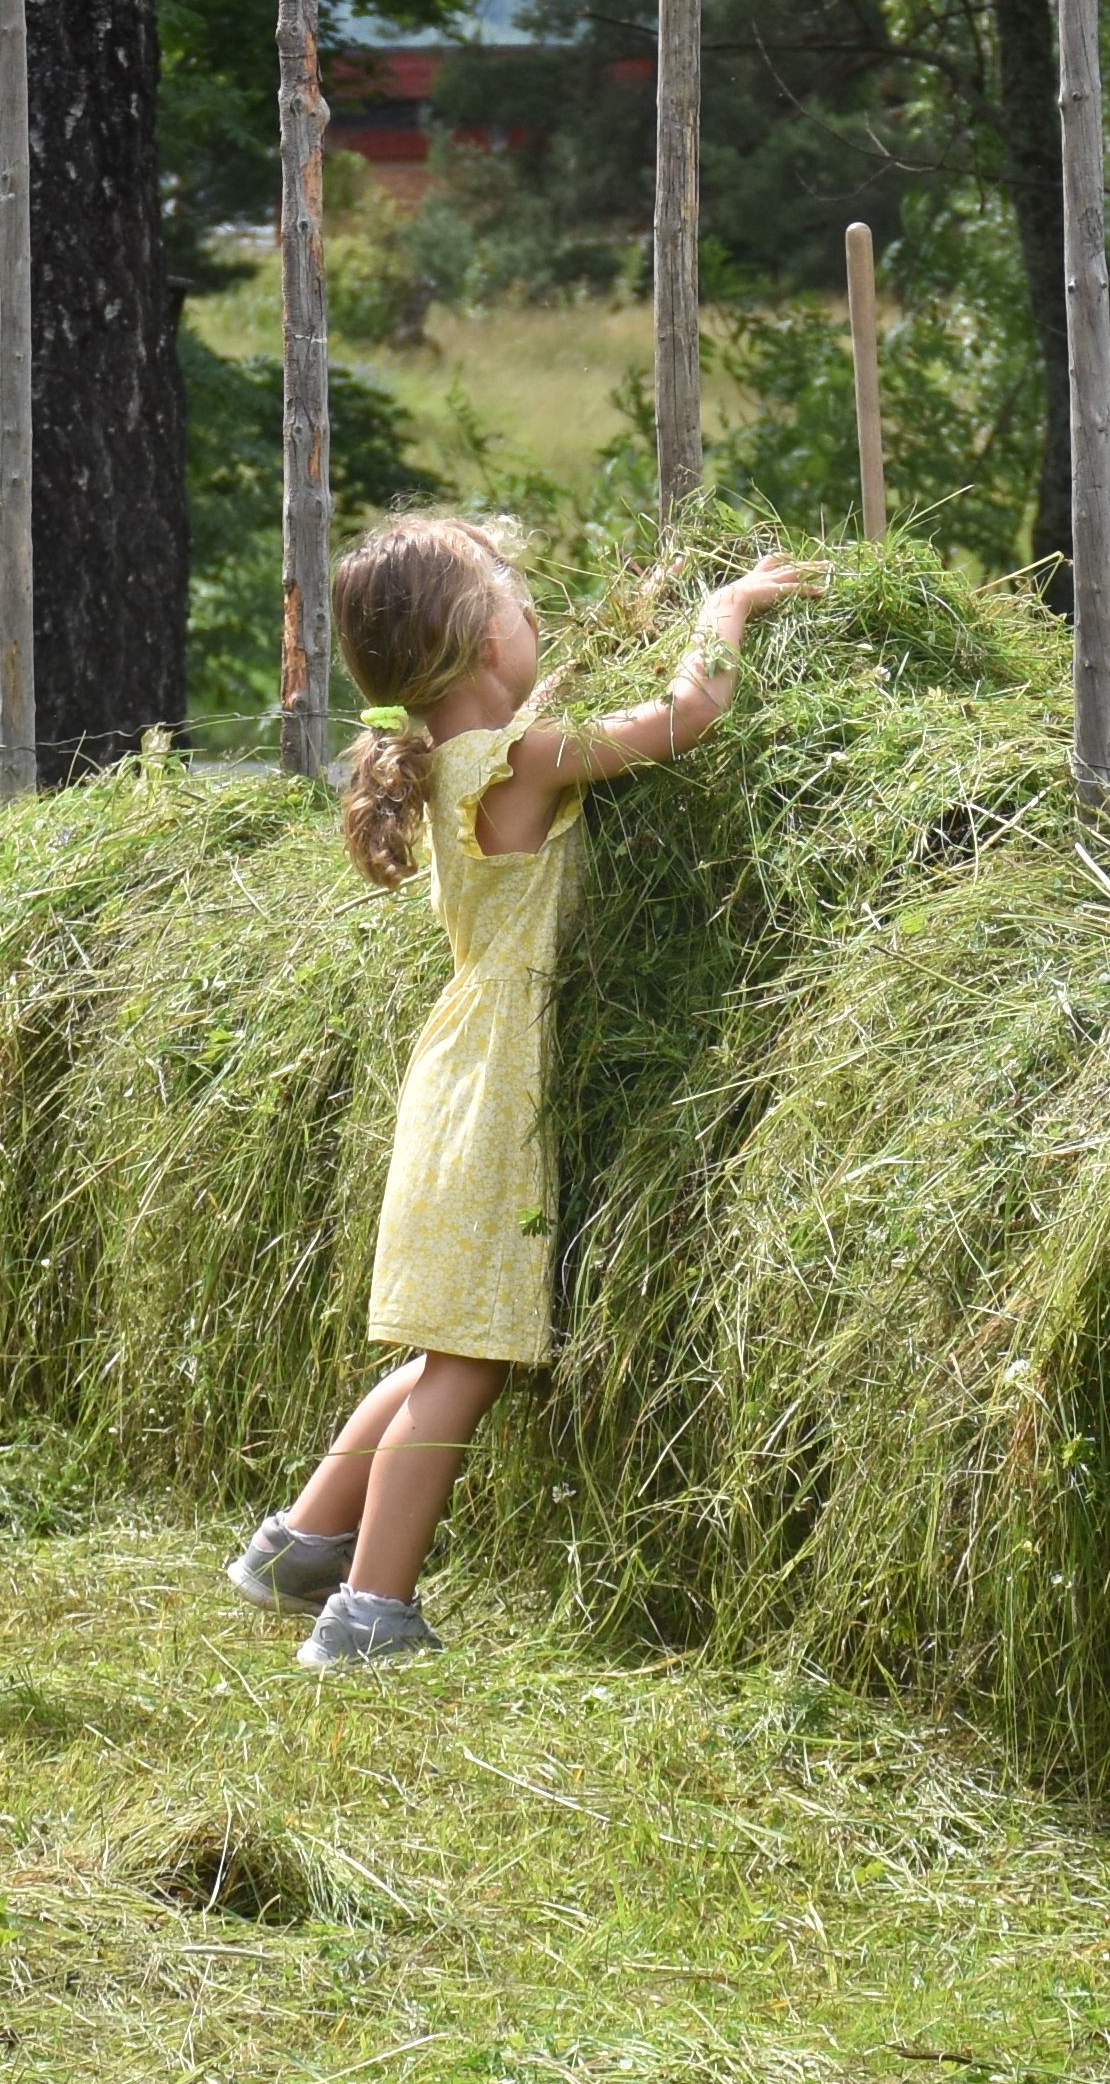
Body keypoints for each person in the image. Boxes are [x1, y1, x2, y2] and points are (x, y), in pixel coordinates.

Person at [229, 520, 826, 1671]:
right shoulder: (517, 759)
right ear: (478, 639)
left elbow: (564, 703)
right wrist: (729, 610)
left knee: (445, 1349)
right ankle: (368, 1612)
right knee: (467, 1364)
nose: (532, 611)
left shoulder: (464, 753)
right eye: (512, 597)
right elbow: (688, 716)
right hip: (500, 1079)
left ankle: (297, 1547)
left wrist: (644, 601)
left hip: (465, 1066)